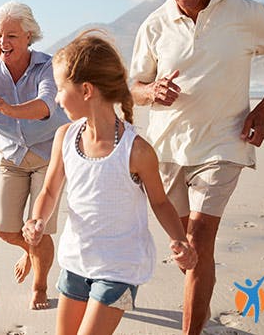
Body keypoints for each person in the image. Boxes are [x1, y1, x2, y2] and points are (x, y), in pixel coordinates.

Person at [129, 0, 264, 334]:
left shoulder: (245, 13)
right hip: (166, 149)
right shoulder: (154, 24)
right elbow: (131, 87)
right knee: (189, 250)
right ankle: (199, 315)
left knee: (198, 241)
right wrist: (150, 92)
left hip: (223, 142)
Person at [22, 30, 198, 335]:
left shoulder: (137, 151)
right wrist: (37, 220)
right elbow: (50, 189)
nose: (56, 97)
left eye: (61, 88)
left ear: (87, 89)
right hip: (76, 261)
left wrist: (180, 240)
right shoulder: (65, 137)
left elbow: (160, 202)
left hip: (120, 268)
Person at [0, 0, 69, 309]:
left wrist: (8, 108)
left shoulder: (47, 66)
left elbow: (47, 104)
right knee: (5, 228)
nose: (3, 43)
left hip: (49, 155)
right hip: (11, 157)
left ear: (28, 36)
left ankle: (40, 287)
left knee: (37, 227)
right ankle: (30, 250)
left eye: (12, 36)